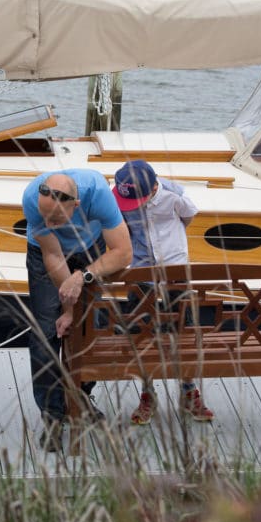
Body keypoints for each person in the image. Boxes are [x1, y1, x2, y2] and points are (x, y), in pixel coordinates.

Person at [23, 169, 133, 452]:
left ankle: (80, 399)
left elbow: (123, 252)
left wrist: (82, 276)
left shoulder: (97, 193)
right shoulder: (32, 199)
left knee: (91, 326)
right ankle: (53, 414)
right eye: (45, 217)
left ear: (77, 205)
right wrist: (68, 309)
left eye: (56, 219)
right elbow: (52, 254)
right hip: (46, 255)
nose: (49, 223)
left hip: (91, 249)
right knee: (46, 330)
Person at [111, 160, 214, 425]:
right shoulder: (120, 194)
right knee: (141, 331)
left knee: (184, 329)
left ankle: (189, 391)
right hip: (140, 266)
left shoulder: (173, 195)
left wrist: (171, 242)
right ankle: (147, 392)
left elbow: (188, 216)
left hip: (174, 263)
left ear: (154, 187)